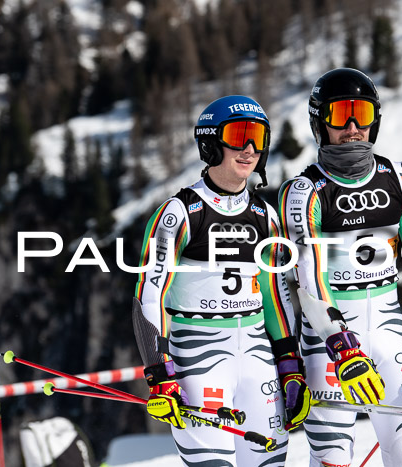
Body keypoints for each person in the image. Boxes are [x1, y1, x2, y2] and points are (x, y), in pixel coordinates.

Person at [279, 68, 402, 466]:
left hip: (390, 335)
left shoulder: (401, 179)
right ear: (319, 123)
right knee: (333, 460)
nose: (353, 127)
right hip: (328, 347)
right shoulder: (303, 191)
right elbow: (309, 279)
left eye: (362, 114)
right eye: (340, 115)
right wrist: (342, 347)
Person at [132, 95, 311, 466]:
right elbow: (149, 297)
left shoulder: (265, 216)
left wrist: (290, 365)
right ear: (211, 143)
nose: (250, 149)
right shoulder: (179, 213)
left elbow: (275, 296)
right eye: (239, 135)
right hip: (198, 360)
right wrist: (159, 372)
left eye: (258, 138)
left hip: (258, 361)